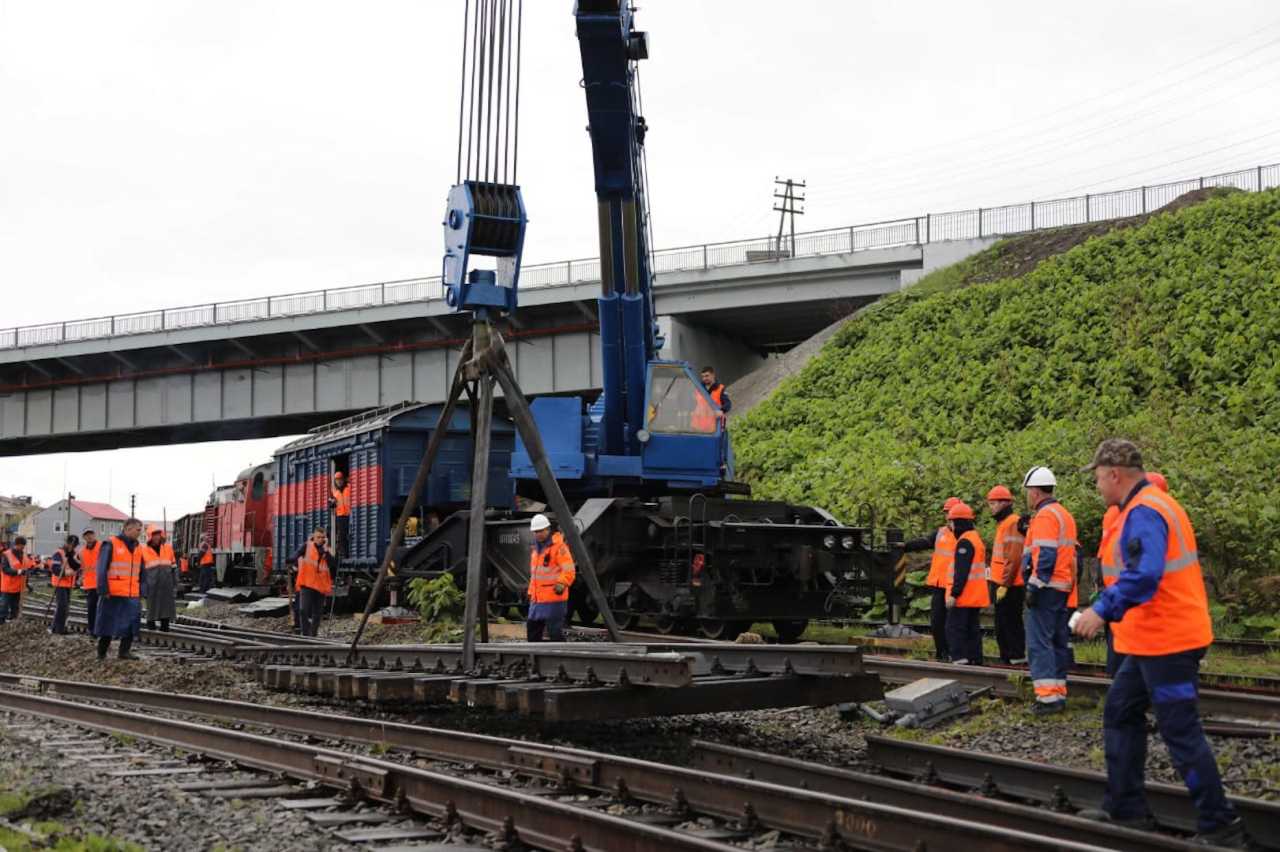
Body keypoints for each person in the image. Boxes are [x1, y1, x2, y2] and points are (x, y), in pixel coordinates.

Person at [1073, 439, 1249, 847]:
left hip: (1169, 642)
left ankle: (1222, 827)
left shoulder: (1145, 512)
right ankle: (1127, 810)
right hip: (1154, 641)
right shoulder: (1147, 505)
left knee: (1180, 731)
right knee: (1120, 712)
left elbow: (1145, 575)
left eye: (1098, 478)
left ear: (1114, 474)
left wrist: (1101, 610)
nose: (1097, 486)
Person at [1021, 466, 1078, 715]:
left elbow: (1045, 554)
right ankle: (1058, 692)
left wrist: (1034, 585)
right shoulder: (1064, 514)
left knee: (1039, 643)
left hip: (1045, 588)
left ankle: (1046, 699)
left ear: (1034, 491)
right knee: (1057, 641)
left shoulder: (1045, 516)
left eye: (1027, 492)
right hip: (1062, 587)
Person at [903, 498, 960, 661]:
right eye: (946, 513)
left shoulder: (965, 535)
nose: (948, 516)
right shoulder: (941, 532)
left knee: (953, 624)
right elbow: (925, 541)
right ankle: (942, 654)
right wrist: (904, 546)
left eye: (951, 512)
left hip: (954, 587)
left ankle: (953, 654)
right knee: (937, 623)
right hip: (938, 586)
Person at [93, 518, 147, 661]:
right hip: (113, 593)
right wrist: (103, 589)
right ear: (127, 528)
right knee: (107, 624)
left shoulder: (138, 548)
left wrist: (142, 590)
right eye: (137, 530)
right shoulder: (111, 544)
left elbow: (142, 571)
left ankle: (124, 652)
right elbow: (101, 568)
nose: (139, 533)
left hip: (131, 593)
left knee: (131, 624)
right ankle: (101, 654)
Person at [944, 501, 989, 665]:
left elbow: (961, 572)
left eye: (952, 522)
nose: (950, 526)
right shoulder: (975, 538)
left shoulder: (964, 542)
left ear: (959, 523)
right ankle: (975, 662)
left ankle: (960, 661)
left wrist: (954, 594)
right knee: (972, 630)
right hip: (974, 596)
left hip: (963, 597)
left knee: (955, 629)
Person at [987, 485, 1027, 665]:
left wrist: (1005, 584)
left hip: (1010, 584)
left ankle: (1015, 658)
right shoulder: (1004, 523)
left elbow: (1013, 557)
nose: (991, 507)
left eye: (993, 503)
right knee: (1003, 624)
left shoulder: (1011, 523)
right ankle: (1009, 658)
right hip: (1002, 582)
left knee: (1009, 623)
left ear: (1004, 503)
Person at [526, 513, 575, 642]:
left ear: (548, 529)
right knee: (532, 633)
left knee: (555, 634)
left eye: (541, 531)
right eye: (536, 531)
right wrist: (531, 592)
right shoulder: (536, 550)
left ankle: (560, 658)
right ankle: (535, 659)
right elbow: (535, 576)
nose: (538, 534)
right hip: (537, 600)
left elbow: (569, 570)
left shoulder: (559, 548)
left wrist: (562, 583)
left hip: (554, 599)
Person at [290, 528, 334, 638]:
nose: (320, 539)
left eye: (323, 537)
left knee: (317, 613)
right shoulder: (307, 546)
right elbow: (297, 554)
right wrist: (290, 560)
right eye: (318, 537)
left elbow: (332, 564)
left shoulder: (328, 550)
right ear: (314, 537)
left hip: (320, 586)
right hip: (307, 584)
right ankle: (305, 634)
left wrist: (326, 550)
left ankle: (313, 635)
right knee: (303, 610)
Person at [140, 524, 177, 632]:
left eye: (158, 534)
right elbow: (141, 571)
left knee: (166, 607)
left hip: (166, 583)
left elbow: (174, 567)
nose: (157, 537)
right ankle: (151, 630)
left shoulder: (168, 548)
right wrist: (143, 587)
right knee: (151, 608)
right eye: (154, 535)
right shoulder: (143, 550)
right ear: (150, 536)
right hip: (151, 584)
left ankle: (164, 629)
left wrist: (175, 584)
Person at [48, 535, 80, 635]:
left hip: (69, 584)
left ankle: (57, 627)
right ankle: (58, 628)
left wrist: (77, 575)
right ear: (66, 543)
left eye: (74, 545)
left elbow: (77, 567)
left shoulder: (74, 554)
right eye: (70, 544)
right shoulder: (58, 553)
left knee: (65, 607)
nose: (72, 546)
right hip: (60, 583)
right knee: (62, 606)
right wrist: (66, 573)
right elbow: (54, 568)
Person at [0, 536, 35, 625]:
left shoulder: (24, 555)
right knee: (4, 607)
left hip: (19, 587)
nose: (22, 548)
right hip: (8, 586)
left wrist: (27, 584)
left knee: (15, 607)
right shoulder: (6, 554)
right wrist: (19, 571)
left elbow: (26, 570)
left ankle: (12, 623)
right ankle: (1, 623)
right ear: (17, 545)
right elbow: (5, 569)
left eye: (23, 546)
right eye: (21, 546)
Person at [77, 529, 103, 634]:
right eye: (87, 535)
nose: (89, 537)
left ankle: (102, 630)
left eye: (91, 534)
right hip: (90, 585)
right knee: (91, 609)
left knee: (102, 609)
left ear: (95, 535)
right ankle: (92, 629)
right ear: (84, 537)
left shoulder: (102, 547)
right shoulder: (82, 552)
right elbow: (81, 567)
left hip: (102, 583)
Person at [329, 471, 351, 561]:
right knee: (342, 536)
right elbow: (331, 506)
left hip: (349, 515)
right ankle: (345, 554)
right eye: (337, 480)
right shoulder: (335, 493)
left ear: (343, 479)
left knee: (350, 535)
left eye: (340, 479)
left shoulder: (349, 488)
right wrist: (332, 503)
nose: (339, 481)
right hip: (340, 516)